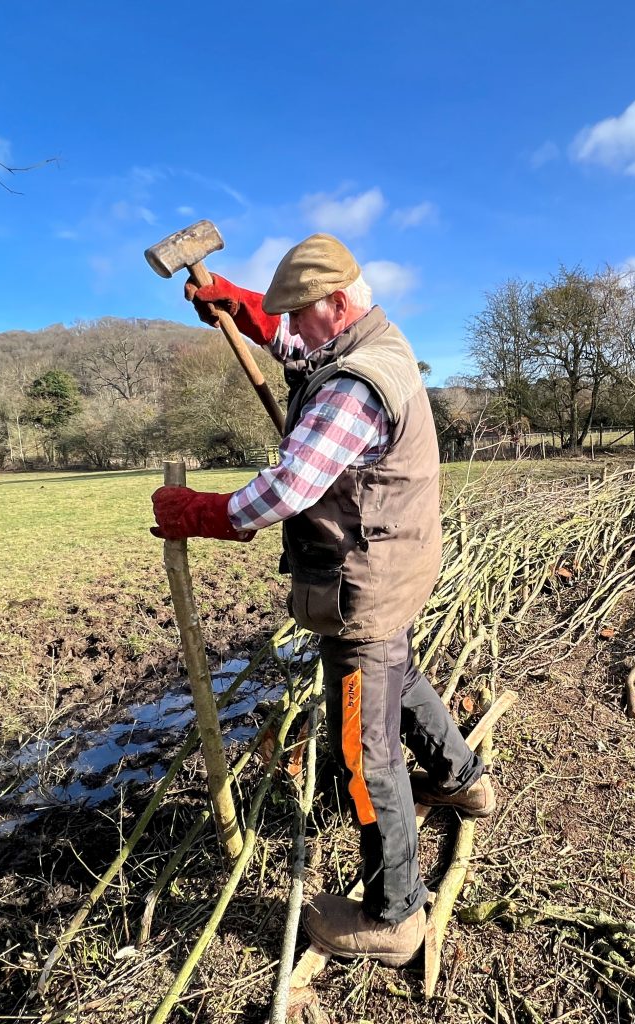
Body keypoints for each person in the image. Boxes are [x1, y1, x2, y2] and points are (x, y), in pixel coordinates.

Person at [150, 233, 495, 967]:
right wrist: (240, 306)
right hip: (397, 570)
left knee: (360, 751)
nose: (291, 333)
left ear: (335, 304)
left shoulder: (352, 386)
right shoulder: (375, 338)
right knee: (396, 677)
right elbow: (295, 346)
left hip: (359, 586)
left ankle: (394, 915)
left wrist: (201, 513)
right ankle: (464, 781)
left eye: (298, 317)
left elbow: (286, 489)